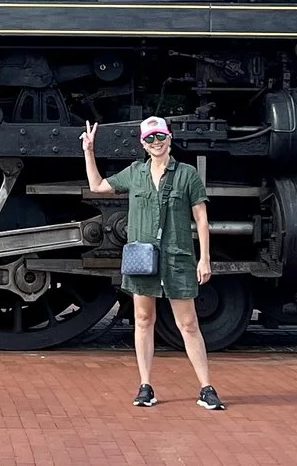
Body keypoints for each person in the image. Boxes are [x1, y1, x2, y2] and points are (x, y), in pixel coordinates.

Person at [82, 115, 223, 410]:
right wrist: (89, 151)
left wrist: (204, 258)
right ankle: (145, 385)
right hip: (143, 258)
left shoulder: (187, 175)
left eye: (160, 137)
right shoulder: (135, 173)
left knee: (188, 324)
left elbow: (201, 219)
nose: (156, 142)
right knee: (144, 321)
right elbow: (97, 186)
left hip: (177, 258)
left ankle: (207, 388)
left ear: (169, 138)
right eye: (150, 139)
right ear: (143, 145)